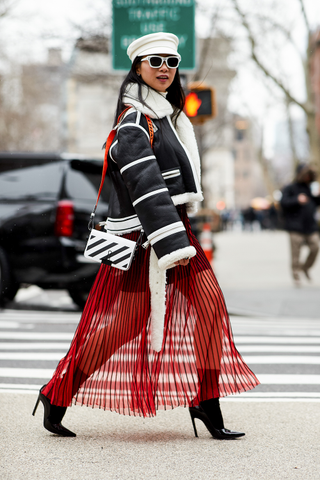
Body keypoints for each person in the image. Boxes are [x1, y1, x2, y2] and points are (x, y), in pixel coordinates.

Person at [32, 32, 259, 440]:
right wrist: (173, 246)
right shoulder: (134, 121)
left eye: (171, 62)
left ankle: (206, 402)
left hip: (173, 231)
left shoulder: (166, 117)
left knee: (208, 312)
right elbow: (147, 187)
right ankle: (57, 392)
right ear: (137, 67)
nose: (165, 69)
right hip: (150, 239)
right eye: (155, 61)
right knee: (124, 326)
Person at [281, 163, 320, 285]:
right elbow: (283, 203)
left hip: (310, 226)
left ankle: (305, 267)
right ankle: (296, 275)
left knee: (315, 247)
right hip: (295, 226)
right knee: (295, 253)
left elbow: (315, 203)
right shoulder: (290, 188)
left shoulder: (310, 188)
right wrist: (297, 200)